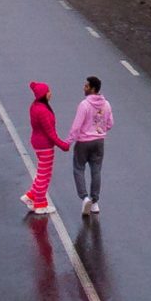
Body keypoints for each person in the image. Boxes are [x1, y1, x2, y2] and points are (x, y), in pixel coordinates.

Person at [67, 75, 114, 216]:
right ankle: (95, 202)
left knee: (79, 168)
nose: (84, 88)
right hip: (99, 142)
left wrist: (69, 141)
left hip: (83, 142)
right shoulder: (106, 104)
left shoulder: (84, 105)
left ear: (93, 88)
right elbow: (110, 124)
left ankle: (84, 197)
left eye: (86, 86)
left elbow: (76, 126)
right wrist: (99, 130)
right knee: (96, 170)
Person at [21, 82, 70, 216]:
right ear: (43, 94)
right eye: (48, 91)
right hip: (44, 145)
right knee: (45, 175)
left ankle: (31, 195)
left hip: (38, 142)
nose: (50, 93)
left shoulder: (35, 106)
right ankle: (41, 204)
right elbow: (50, 132)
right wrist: (63, 145)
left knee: (42, 172)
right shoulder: (42, 110)